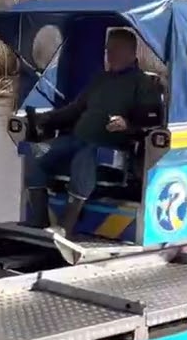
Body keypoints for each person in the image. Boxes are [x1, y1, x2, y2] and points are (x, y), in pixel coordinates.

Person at [24, 27, 163, 236]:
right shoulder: (100, 79)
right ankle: (39, 221)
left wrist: (128, 124)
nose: (110, 54)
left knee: (85, 157)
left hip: (112, 150)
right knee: (35, 152)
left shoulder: (143, 83)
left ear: (131, 53)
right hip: (77, 140)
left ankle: (65, 227)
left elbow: (153, 118)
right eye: (108, 49)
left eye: (116, 49)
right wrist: (46, 118)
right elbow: (75, 109)